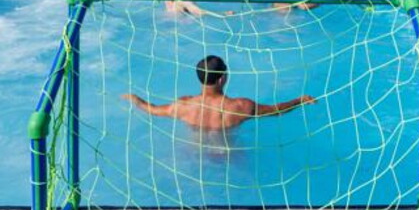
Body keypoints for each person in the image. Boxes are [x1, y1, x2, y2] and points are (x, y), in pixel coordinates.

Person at [122, 55, 316, 131]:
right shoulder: (241, 106)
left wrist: (135, 99)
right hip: (228, 155)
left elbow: (153, 110)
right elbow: (276, 110)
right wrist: (299, 100)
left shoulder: (183, 105)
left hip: (193, 156)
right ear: (222, 78)